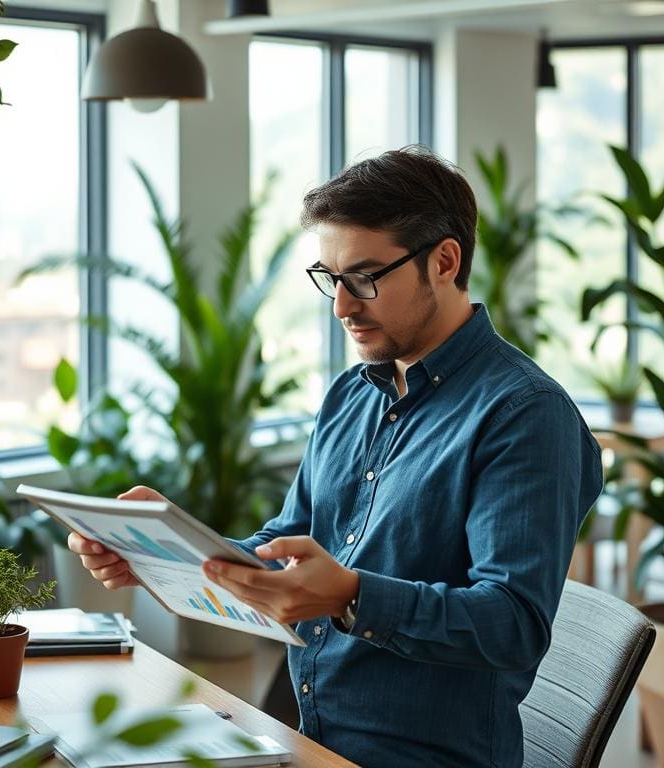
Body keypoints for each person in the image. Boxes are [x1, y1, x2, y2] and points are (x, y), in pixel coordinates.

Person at [68, 146, 604, 768]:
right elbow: (286, 544)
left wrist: (350, 596)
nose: (342, 307)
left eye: (365, 278)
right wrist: (164, 550)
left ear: (445, 261)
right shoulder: (353, 393)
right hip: (306, 738)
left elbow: (513, 624)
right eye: (330, 278)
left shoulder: (524, 414)